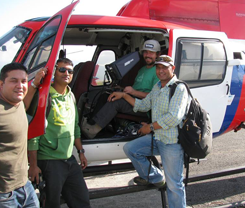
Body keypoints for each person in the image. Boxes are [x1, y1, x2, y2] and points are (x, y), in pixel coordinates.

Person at [109, 55, 189, 208]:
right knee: (131, 149)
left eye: (165, 67)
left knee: (174, 184)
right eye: (158, 68)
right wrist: (124, 95)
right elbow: (144, 105)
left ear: (173, 68)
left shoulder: (179, 88)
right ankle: (156, 177)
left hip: (171, 142)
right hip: (158, 137)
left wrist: (150, 127)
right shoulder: (158, 86)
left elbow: (174, 117)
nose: (161, 71)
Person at [28, 58, 91, 208]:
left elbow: (75, 127)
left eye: (70, 70)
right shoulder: (44, 96)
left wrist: (80, 151)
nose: (66, 73)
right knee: (51, 203)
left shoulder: (71, 96)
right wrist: (34, 165)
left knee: (82, 201)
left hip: (69, 159)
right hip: (50, 161)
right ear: (54, 73)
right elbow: (34, 133)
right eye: (62, 70)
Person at [82, 39, 161, 138]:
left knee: (116, 102)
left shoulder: (158, 72)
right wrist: (121, 88)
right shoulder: (142, 70)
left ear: (157, 54)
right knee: (106, 95)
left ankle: (92, 131)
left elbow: (154, 96)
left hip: (144, 106)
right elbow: (136, 89)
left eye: (151, 53)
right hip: (132, 99)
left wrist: (133, 92)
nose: (147, 55)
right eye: (146, 52)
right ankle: (91, 123)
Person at [0, 63, 41, 208]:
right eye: (13, 81)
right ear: (1, 84)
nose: (20, 85)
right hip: (4, 195)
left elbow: (25, 103)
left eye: (23, 81)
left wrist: (35, 84)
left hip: (25, 186)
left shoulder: (17, 105)